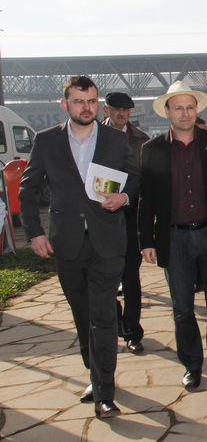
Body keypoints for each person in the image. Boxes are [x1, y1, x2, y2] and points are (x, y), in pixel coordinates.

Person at [19, 76, 140, 418]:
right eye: (78, 101)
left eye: (91, 101)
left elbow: (135, 178)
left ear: (98, 104)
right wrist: (34, 233)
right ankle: (94, 372)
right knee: (83, 315)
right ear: (65, 105)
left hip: (107, 242)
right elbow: (28, 190)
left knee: (103, 316)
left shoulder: (115, 139)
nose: (86, 108)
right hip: (68, 244)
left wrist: (123, 197)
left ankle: (104, 391)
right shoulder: (47, 141)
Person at [138, 80, 207, 395]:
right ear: (167, 111)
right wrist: (146, 240)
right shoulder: (152, 150)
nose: (184, 113)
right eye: (178, 108)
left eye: (189, 107)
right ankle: (192, 367)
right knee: (182, 309)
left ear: (196, 109)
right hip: (174, 240)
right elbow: (146, 198)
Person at [102, 91, 150, 354]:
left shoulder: (141, 140)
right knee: (105, 276)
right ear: (106, 110)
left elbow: (148, 179)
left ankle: (132, 330)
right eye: (116, 109)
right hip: (101, 216)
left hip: (132, 214)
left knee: (131, 276)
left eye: (125, 110)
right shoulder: (93, 136)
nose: (121, 113)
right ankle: (116, 321)